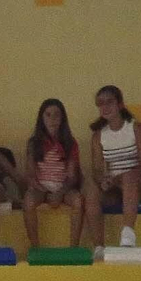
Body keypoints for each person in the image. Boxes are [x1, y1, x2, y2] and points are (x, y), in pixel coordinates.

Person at [83, 85, 141, 250]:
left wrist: (121, 178)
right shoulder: (98, 136)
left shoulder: (136, 128)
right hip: (115, 187)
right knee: (92, 190)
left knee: (128, 178)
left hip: (139, 186)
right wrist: (103, 180)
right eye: (101, 103)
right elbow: (97, 169)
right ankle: (99, 246)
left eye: (109, 102)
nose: (105, 107)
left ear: (120, 104)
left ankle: (128, 234)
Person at [22, 98, 84, 250]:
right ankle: (35, 247)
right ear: (41, 119)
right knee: (28, 201)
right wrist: (41, 189)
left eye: (57, 115)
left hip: (63, 187)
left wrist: (60, 192)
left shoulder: (70, 142)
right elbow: (30, 174)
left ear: (63, 118)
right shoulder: (34, 143)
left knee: (78, 201)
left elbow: (72, 176)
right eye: (48, 115)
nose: (52, 119)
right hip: (40, 188)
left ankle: (73, 247)